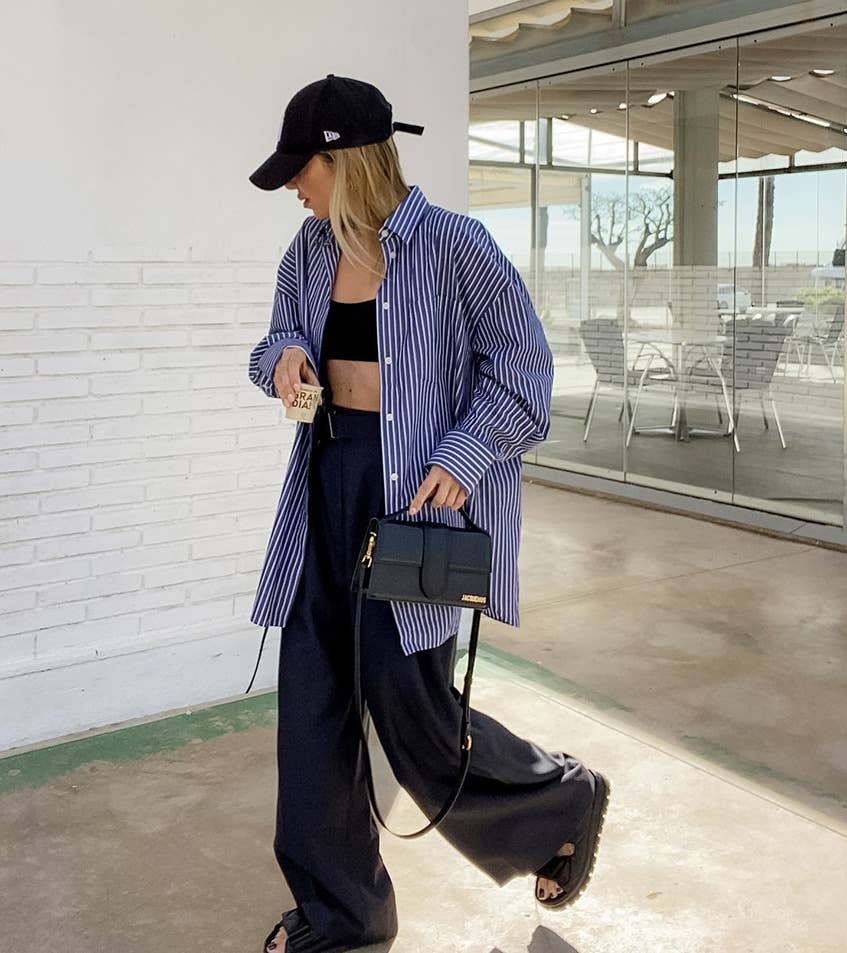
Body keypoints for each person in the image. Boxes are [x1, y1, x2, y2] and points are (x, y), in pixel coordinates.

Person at [247, 74, 609, 953]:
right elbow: (271, 341)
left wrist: (463, 454)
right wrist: (284, 356)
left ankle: (562, 799)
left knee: (413, 715)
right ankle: (346, 914)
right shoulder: (308, 252)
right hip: (325, 485)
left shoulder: (455, 247)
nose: (293, 185)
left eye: (302, 168)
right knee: (312, 706)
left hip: (414, 502)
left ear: (346, 160)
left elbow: (524, 376)